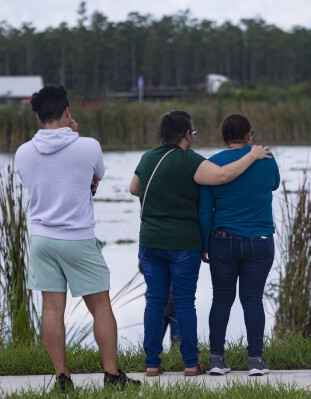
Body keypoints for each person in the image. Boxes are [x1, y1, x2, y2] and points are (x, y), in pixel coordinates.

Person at [14, 85, 140, 392]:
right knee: (100, 307)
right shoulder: (88, 146)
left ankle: (62, 377)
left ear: (37, 116)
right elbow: (97, 175)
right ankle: (111, 375)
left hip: (42, 239)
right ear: (68, 111)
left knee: (52, 309)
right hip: (79, 237)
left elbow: (34, 182)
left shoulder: (23, 152)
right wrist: (74, 132)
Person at [129, 110, 271, 377]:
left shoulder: (148, 157)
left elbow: (134, 188)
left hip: (150, 242)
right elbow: (223, 176)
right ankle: (190, 364)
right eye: (192, 134)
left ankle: (151, 364)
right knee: (184, 302)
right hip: (182, 244)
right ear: (186, 135)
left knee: (155, 302)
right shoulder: (190, 161)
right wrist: (251, 155)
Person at [199, 113, 280, 377]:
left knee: (221, 299)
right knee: (253, 300)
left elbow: (205, 211)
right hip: (259, 242)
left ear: (224, 138)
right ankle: (256, 361)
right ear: (249, 136)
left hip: (223, 241)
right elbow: (274, 184)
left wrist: (204, 242)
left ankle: (216, 360)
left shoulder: (212, 164)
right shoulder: (266, 159)